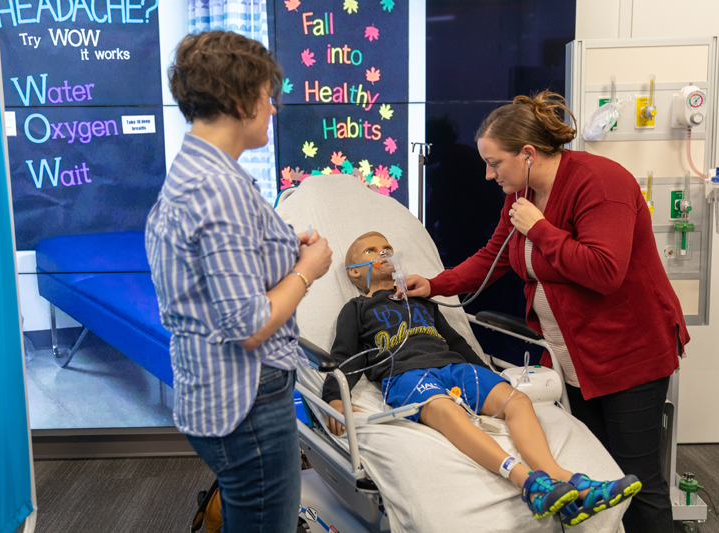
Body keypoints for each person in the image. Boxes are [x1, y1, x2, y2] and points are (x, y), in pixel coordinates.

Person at [402, 90, 688, 533]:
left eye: (495, 163)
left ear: (529, 154)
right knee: (599, 469)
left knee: (639, 480)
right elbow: (494, 256)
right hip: (575, 356)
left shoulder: (601, 183)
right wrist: (435, 285)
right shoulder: (525, 192)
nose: (487, 173)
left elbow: (605, 270)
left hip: (629, 355)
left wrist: (540, 228)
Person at [145, 31, 332, 533]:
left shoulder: (198, 176)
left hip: (219, 392)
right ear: (240, 99)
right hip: (247, 402)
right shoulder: (219, 188)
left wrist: (282, 248)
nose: (273, 109)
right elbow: (249, 324)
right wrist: (307, 270)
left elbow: (212, 270)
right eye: (269, 96)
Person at [322, 231, 640, 527]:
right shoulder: (357, 308)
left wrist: (489, 376)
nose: (384, 254)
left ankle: (559, 479)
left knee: (516, 400)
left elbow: (457, 342)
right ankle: (527, 482)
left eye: (387, 248)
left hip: (453, 367)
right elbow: (343, 357)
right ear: (354, 272)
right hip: (406, 374)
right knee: (445, 409)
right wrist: (334, 397)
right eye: (372, 250)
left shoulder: (420, 300)